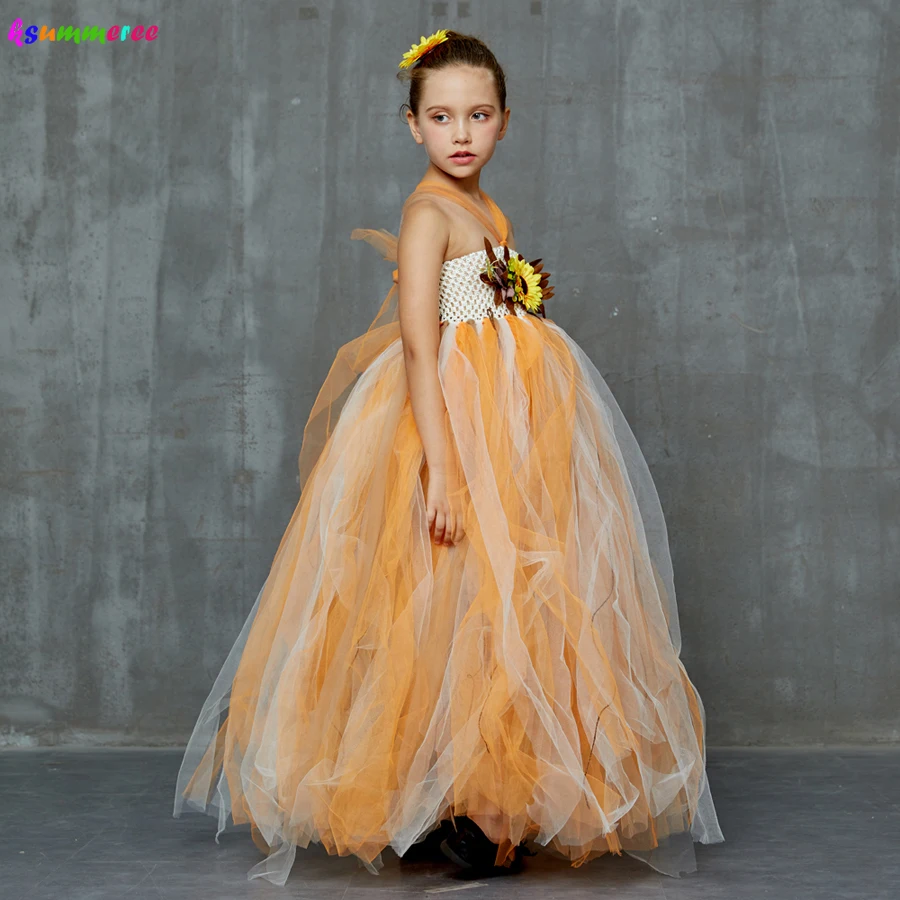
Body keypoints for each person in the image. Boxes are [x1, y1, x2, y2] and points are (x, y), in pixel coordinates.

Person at [172, 28, 725, 887]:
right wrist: (444, 466)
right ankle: (470, 810)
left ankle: (481, 804)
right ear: (412, 125)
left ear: (504, 119)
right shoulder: (427, 213)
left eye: (477, 115)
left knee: (504, 607)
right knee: (449, 602)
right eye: (440, 117)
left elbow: (504, 323)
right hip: (451, 427)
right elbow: (422, 346)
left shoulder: (488, 211)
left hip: (512, 424)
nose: (460, 132)